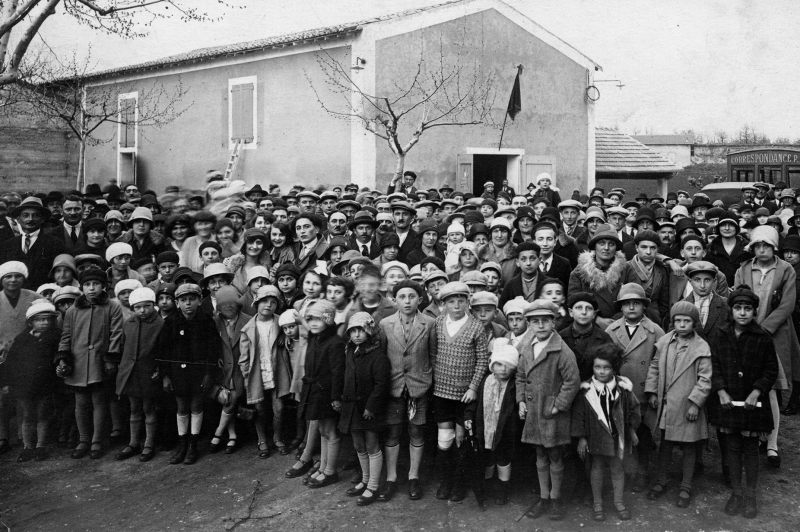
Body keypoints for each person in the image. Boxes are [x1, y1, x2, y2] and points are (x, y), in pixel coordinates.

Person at [707, 285, 778, 519]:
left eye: (748, 309)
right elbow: (713, 366)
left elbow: (770, 370)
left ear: (755, 312)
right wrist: (720, 391)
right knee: (732, 447)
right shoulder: (720, 334)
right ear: (731, 310)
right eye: (738, 308)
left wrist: (757, 392)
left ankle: (750, 495)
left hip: (752, 403)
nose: (743, 313)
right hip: (728, 401)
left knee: (750, 449)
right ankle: (736, 493)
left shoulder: (763, 337)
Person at [733, 225, 799, 468]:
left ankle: (772, 443)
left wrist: (764, 328)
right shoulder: (743, 269)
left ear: (774, 248)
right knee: (749, 385)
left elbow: (787, 305)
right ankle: (753, 436)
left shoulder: (785, 269)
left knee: (770, 388)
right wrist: (748, 326)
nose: (762, 250)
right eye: (757, 246)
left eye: (766, 246)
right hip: (748, 333)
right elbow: (738, 299)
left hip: (773, 335)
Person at [516, 299, 580, 521]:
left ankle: (556, 498)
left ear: (554, 322)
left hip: (551, 413)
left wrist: (558, 405)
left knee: (554, 454)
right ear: (529, 324)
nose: (540, 326)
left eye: (545, 321)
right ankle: (543, 497)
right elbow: (521, 376)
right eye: (535, 321)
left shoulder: (562, 351)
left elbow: (572, 382)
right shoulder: (526, 346)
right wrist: (521, 400)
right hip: (533, 411)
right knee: (539, 453)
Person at [645, 301, 712, 508]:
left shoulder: (701, 347)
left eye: (687, 321)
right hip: (668, 405)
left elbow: (705, 379)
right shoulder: (665, 342)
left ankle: (685, 486)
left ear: (694, 323)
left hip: (687, 406)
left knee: (689, 447)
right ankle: (661, 480)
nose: (682, 325)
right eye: (678, 321)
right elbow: (655, 366)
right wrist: (652, 392)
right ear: (672, 322)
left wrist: (695, 404)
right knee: (665, 444)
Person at [377, 280, 437, 501]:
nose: (407, 301)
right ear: (395, 299)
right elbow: (382, 358)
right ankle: (391, 478)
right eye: (402, 297)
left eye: (412, 296)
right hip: (394, 387)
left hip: (418, 387)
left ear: (420, 299)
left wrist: (430, 381)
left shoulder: (429, 324)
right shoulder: (385, 324)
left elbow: (432, 355)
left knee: (416, 431)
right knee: (392, 431)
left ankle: (414, 477)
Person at [57, 268, 124, 460]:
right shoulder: (73, 310)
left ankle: (96, 440)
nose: (91, 288)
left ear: (104, 286)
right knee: (81, 403)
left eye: (96, 284)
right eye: (87, 285)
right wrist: (63, 357)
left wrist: (111, 359)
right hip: (78, 363)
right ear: (82, 287)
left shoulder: (113, 306)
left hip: (99, 362)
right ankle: (83, 440)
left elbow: (116, 334)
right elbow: (66, 336)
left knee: (99, 401)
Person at [604, 283, 665, 492]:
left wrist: (654, 390)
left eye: (636, 304)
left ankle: (642, 472)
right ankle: (624, 472)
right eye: (626, 304)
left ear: (644, 307)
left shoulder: (655, 331)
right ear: (620, 307)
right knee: (621, 431)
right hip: (618, 391)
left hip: (644, 392)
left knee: (643, 435)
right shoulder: (611, 330)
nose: (631, 308)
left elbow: (660, 363)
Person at [431, 282, 489, 502]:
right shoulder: (438, 323)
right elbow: (434, 353)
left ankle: (459, 483)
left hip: (464, 395)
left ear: (467, 302)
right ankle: (446, 481)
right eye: (451, 301)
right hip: (441, 392)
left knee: (460, 438)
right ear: (443, 304)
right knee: (444, 439)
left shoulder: (475, 327)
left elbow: (483, 360)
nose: (456, 305)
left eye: (461, 301)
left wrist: (473, 387)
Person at [571, 343, 640, 522]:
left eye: (606, 367)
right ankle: (598, 503)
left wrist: (631, 430)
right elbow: (579, 416)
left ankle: (618, 502)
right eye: (597, 367)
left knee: (617, 468)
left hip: (617, 437)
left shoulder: (623, 389)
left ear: (614, 368)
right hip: (595, 436)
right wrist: (582, 438)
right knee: (597, 468)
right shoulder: (586, 391)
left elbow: (634, 409)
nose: (601, 371)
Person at [158, 283, 221, 465]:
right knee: (182, 407)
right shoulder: (171, 322)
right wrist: (165, 375)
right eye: (183, 300)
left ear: (200, 301)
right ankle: (182, 444)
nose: (188, 304)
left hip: (199, 373)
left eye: (192, 299)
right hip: (177, 373)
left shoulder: (207, 322)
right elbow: (163, 351)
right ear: (177, 303)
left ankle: (193, 444)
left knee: (196, 405)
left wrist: (209, 374)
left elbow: (213, 351)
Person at [338, 312, 390, 506]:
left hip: (369, 409)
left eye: (361, 330)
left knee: (371, 444)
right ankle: (365, 479)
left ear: (369, 331)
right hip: (352, 407)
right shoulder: (350, 352)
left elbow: (381, 385)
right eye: (353, 331)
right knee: (358, 445)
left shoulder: (377, 356)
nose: (357, 334)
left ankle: (374, 485)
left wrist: (371, 407)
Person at [0, 300, 60, 462]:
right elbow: (10, 363)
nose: (44, 322)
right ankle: (27, 447)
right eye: (40, 319)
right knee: (27, 415)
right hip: (24, 385)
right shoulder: (21, 339)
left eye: (48, 319)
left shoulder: (55, 337)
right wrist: (6, 383)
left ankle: (40, 446)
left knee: (42, 415)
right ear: (31, 322)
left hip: (45, 384)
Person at [464, 341, 520, 508]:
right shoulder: (485, 382)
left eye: (508, 366)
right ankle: (487, 485)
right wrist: (468, 415)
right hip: (486, 428)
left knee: (503, 458)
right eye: (499, 364)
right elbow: (474, 402)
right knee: (486, 457)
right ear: (492, 365)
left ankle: (503, 488)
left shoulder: (514, 386)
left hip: (505, 430)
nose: (503, 369)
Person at [297, 300, 346, 489]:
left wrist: (335, 397)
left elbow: (337, 373)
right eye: (310, 319)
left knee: (330, 431)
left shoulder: (334, 343)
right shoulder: (315, 338)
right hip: (315, 392)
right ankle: (324, 467)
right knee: (323, 431)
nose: (314, 323)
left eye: (319, 319)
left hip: (326, 394)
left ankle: (330, 471)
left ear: (328, 320)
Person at [114, 287, 164, 462]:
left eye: (146, 306)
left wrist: (159, 370)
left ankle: (149, 443)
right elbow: (122, 345)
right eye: (138, 307)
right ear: (133, 308)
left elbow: (163, 351)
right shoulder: (129, 323)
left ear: (153, 305)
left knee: (148, 408)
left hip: (148, 373)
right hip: (130, 373)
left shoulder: (160, 324)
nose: (142, 310)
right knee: (134, 408)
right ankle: (133, 442)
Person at [239, 285, 281, 458]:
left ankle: (277, 437)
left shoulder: (280, 322)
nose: (268, 305)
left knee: (279, 408)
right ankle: (262, 439)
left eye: (272, 302)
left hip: (277, 372)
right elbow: (244, 357)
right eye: (264, 301)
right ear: (256, 303)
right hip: (257, 372)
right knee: (260, 408)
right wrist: (246, 375)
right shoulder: (248, 328)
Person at [208, 286, 250, 455]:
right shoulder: (215, 321)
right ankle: (232, 436)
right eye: (223, 304)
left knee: (233, 398)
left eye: (231, 304)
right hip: (223, 368)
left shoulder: (247, 320)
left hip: (241, 368)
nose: (228, 307)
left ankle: (218, 433)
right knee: (227, 400)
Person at [0, 196, 67, 290]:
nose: (30, 219)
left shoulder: (55, 243)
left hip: (44, 297)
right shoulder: (7, 245)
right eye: (25, 215)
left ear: (42, 219)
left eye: (35, 215)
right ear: (18, 219)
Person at [569, 224, 627, 329]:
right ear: (594, 246)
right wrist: (596, 319)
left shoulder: (626, 270)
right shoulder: (579, 273)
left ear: (616, 248)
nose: (606, 248)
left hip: (621, 325)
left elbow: (633, 298)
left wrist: (616, 321)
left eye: (611, 244)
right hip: (589, 326)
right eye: (602, 243)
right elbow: (574, 302)